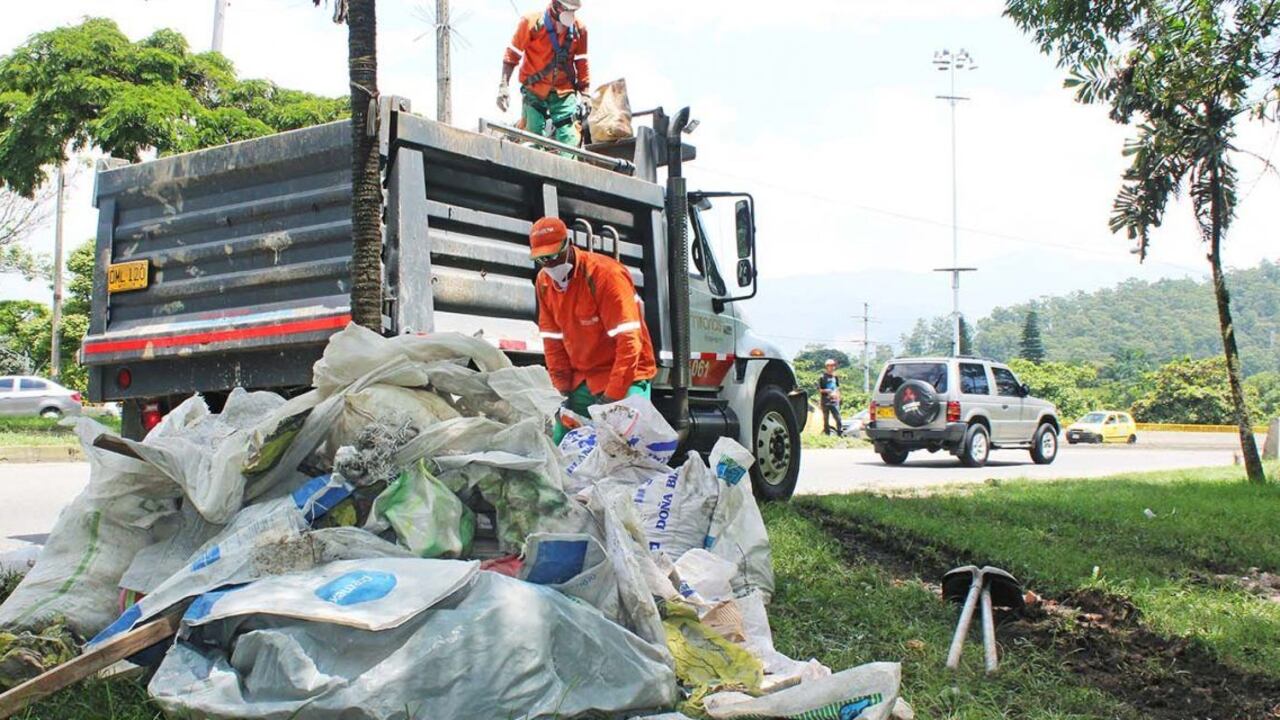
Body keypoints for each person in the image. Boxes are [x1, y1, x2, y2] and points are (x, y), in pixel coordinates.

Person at [530, 217, 656, 443]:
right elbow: (553, 343)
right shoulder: (544, 283)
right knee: (560, 444)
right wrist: (561, 393)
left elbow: (629, 344)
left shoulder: (606, 275)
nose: (549, 265)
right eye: (541, 260)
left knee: (624, 449)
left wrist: (611, 398)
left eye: (553, 256)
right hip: (584, 378)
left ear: (568, 245)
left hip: (626, 377)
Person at [498, 0, 590, 148]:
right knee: (532, 137)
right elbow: (512, 55)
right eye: (567, 10)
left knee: (570, 138)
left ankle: (566, 168)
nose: (570, 16)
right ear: (556, 5)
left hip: (563, 91)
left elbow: (581, 61)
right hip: (534, 88)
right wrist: (503, 86)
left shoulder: (579, 29)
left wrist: (585, 93)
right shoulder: (531, 23)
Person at [819, 359, 843, 436]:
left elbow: (837, 388)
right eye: (831, 365)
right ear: (827, 367)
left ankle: (840, 433)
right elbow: (820, 390)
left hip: (834, 401)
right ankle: (827, 434)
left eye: (834, 365)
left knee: (838, 418)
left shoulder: (835, 377)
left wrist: (838, 397)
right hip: (825, 400)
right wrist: (828, 391)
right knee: (826, 419)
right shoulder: (822, 377)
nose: (833, 367)